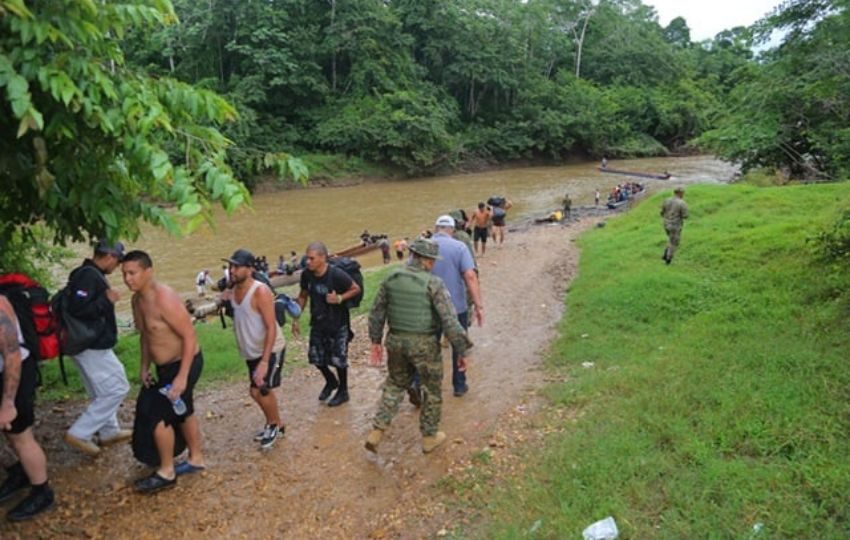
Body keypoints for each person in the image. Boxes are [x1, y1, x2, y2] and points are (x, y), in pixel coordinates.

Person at [365, 239, 473, 454]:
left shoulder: (391, 277)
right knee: (431, 390)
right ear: (428, 260)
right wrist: (462, 350)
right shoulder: (433, 283)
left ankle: (377, 430)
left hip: (395, 341)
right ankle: (429, 437)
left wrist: (375, 341)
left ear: (412, 255)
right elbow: (450, 321)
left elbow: (376, 313)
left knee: (395, 383)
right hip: (424, 344)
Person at [122, 250, 205, 493]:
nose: (128, 279)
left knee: (159, 414)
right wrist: (145, 366)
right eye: (125, 274)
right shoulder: (137, 300)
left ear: (148, 272)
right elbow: (146, 336)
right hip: (163, 367)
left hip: (185, 363)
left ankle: (166, 471)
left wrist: (182, 377)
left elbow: (189, 336)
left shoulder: (164, 298)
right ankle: (196, 458)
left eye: (132, 273)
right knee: (184, 409)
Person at [62, 240, 132, 457]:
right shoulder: (88, 275)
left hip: (87, 343)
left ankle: (109, 431)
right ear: (109, 257)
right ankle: (79, 433)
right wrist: (106, 300)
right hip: (91, 345)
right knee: (118, 387)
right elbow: (78, 308)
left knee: (99, 390)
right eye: (118, 261)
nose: (118, 267)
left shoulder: (84, 272)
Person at [221, 249, 286, 449]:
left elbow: (271, 327)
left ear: (249, 270)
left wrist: (265, 362)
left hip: (269, 348)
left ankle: (274, 425)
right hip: (251, 351)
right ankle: (276, 423)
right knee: (255, 391)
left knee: (262, 390)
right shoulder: (232, 291)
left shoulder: (260, 291)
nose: (232, 270)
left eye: (236, 266)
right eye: (230, 266)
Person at [0, 295, 55, 520]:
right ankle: (20, 471)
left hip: (15, 372)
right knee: (8, 432)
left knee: (20, 434)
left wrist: (8, 402)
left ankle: (42, 491)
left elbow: (12, 355)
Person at [420, 215, 483, 398]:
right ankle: (459, 385)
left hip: (428, 307)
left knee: (429, 347)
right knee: (458, 346)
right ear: (452, 230)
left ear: (436, 227)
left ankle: (425, 385)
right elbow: (470, 277)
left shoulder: (422, 248)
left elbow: (411, 275)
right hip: (457, 306)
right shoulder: (459, 247)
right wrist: (479, 306)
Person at [293, 242, 361, 407]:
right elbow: (303, 295)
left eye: (311, 258)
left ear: (323, 258)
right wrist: (296, 317)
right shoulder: (306, 275)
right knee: (316, 358)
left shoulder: (336, 274)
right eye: (306, 258)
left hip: (338, 323)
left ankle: (343, 391)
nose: (307, 262)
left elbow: (355, 288)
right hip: (318, 322)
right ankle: (331, 381)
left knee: (339, 360)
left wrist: (339, 298)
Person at [661, 187, 689, 264]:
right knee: (674, 242)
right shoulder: (682, 203)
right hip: (675, 225)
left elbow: (661, 212)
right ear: (680, 193)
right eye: (683, 193)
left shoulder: (666, 200)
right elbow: (685, 216)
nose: (683, 195)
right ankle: (668, 260)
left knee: (670, 239)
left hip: (666, 223)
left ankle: (665, 255)